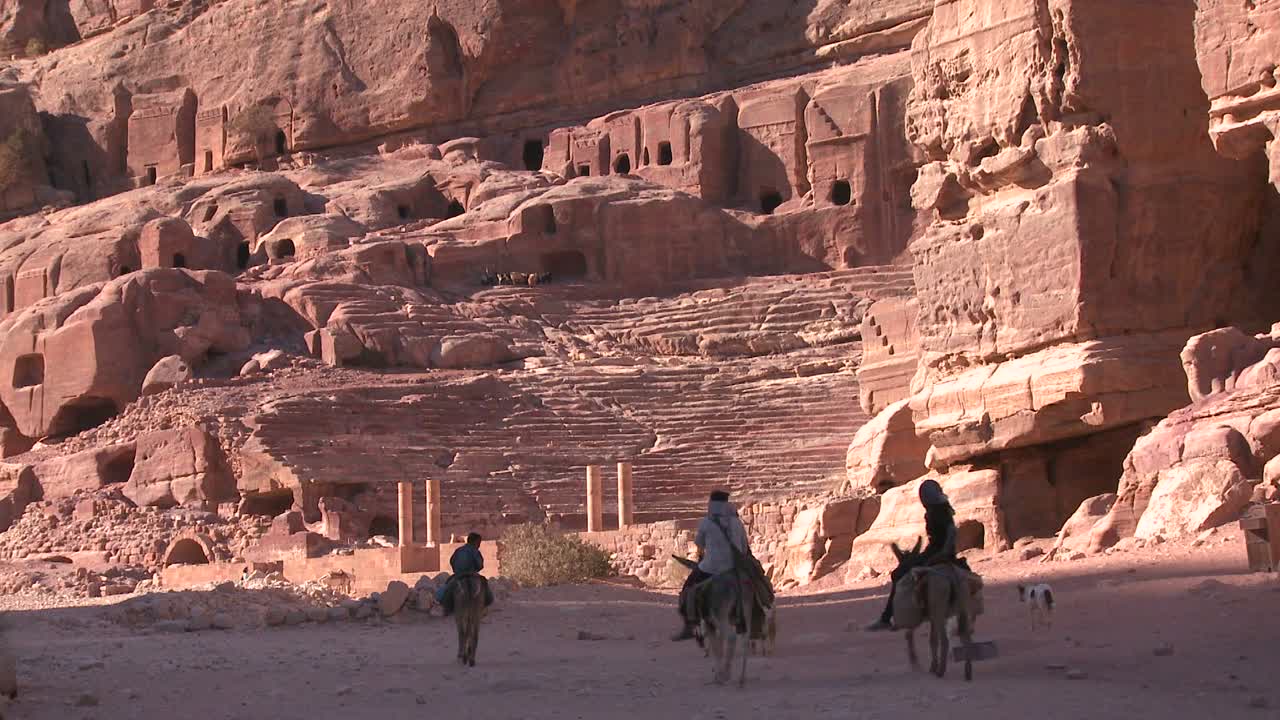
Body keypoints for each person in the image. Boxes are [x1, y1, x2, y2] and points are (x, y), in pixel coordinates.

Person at [865, 478, 963, 632]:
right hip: (935, 551)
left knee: (899, 573)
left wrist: (943, 554)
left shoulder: (938, 511)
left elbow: (950, 533)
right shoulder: (940, 508)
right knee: (904, 570)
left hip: (938, 553)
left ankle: (886, 618)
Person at [672, 490, 752, 641]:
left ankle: (689, 625)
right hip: (734, 567)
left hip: (710, 567)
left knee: (688, 589)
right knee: (752, 584)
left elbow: (699, 544)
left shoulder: (706, 522)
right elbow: (744, 547)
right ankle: (747, 619)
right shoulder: (737, 523)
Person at [438, 532, 495, 614]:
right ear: (475, 542)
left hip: (458, 575)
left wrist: (457, 570)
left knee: (448, 585)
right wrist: (474, 569)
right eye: (479, 543)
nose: (479, 545)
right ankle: (483, 605)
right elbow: (480, 565)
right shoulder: (475, 551)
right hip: (471, 574)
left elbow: (452, 561)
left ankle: (446, 605)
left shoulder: (458, 550)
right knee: (484, 585)